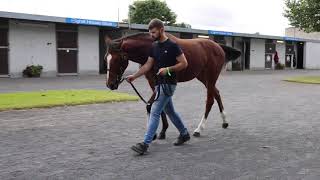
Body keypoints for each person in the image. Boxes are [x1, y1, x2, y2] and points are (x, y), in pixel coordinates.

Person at [126, 19, 190, 155]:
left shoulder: (173, 46)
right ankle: (184, 133)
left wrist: (168, 69)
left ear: (161, 29)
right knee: (170, 111)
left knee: (154, 111)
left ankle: (145, 143)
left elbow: (184, 63)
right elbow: (147, 65)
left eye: (153, 32)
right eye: (150, 32)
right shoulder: (154, 46)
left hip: (168, 84)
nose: (151, 35)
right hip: (159, 84)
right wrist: (134, 76)